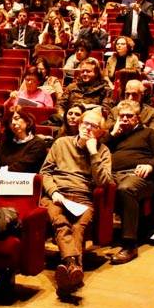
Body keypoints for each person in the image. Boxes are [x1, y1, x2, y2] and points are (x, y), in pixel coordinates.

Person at [39, 109, 113, 297]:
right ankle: (74, 268)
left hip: (83, 198)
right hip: (58, 195)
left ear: (101, 132)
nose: (87, 128)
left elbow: (102, 182)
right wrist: (54, 191)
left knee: (79, 228)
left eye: (93, 126)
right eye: (85, 123)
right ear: (78, 124)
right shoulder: (61, 143)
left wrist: (93, 152)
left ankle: (69, 269)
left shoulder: (103, 152)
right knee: (61, 223)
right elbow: (45, 172)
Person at [107, 99, 154, 264]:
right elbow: (98, 148)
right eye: (122, 116)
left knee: (126, 189)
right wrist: (113, 134)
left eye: (129, 116)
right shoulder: (115, 136)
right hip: (112, 175)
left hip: (138, 177)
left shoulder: (148, 133)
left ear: (138, 117)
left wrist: (149, 165)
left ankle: (129, 245)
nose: (125, 119)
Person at [0, 108, 50, 175]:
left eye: (16, 118)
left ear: (27, 121)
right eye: (10, 121)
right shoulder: (5, 143)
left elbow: (23, 167)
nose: (13, 123)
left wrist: (0, 173)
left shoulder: (38, 144)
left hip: (24, 182)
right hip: (1, 181)